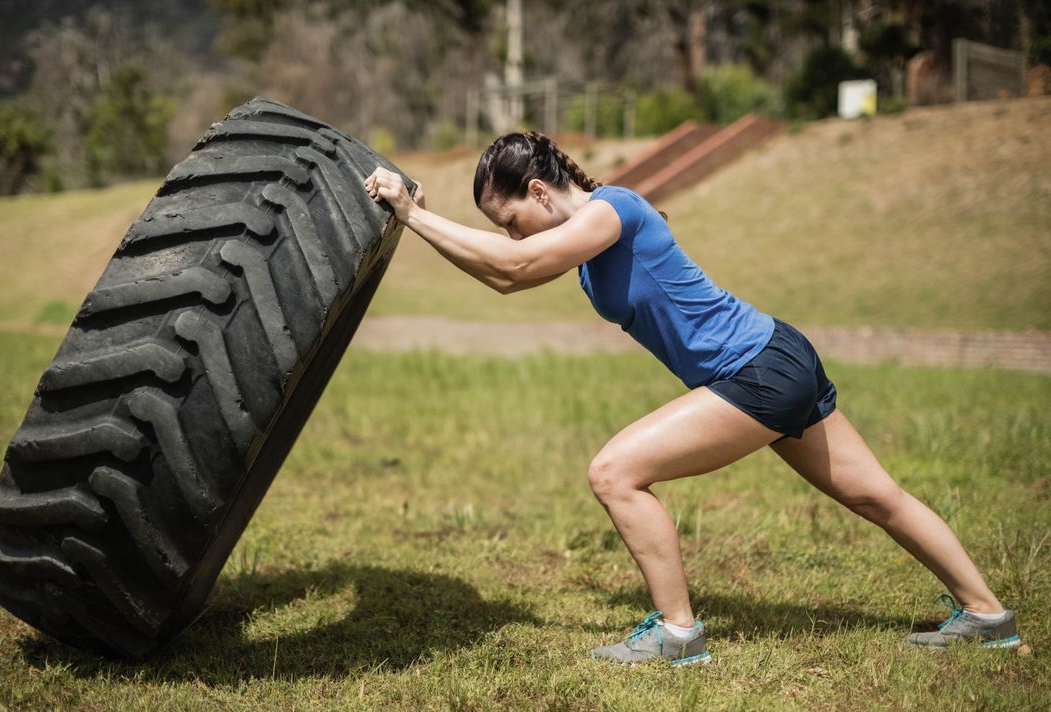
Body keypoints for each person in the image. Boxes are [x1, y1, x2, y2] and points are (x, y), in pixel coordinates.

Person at [363, 130, 1021, 667]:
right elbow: (506, 279)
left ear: (538, 191)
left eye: (512, 220)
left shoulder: (609, 212)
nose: (513, 237)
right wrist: (417, 221)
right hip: (776, 358)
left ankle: (678, 634)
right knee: (876, 495)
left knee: (615, 473)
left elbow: (514, 266)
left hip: (756, 370)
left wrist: (414, 213)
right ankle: (989, 617)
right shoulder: (590, 237)